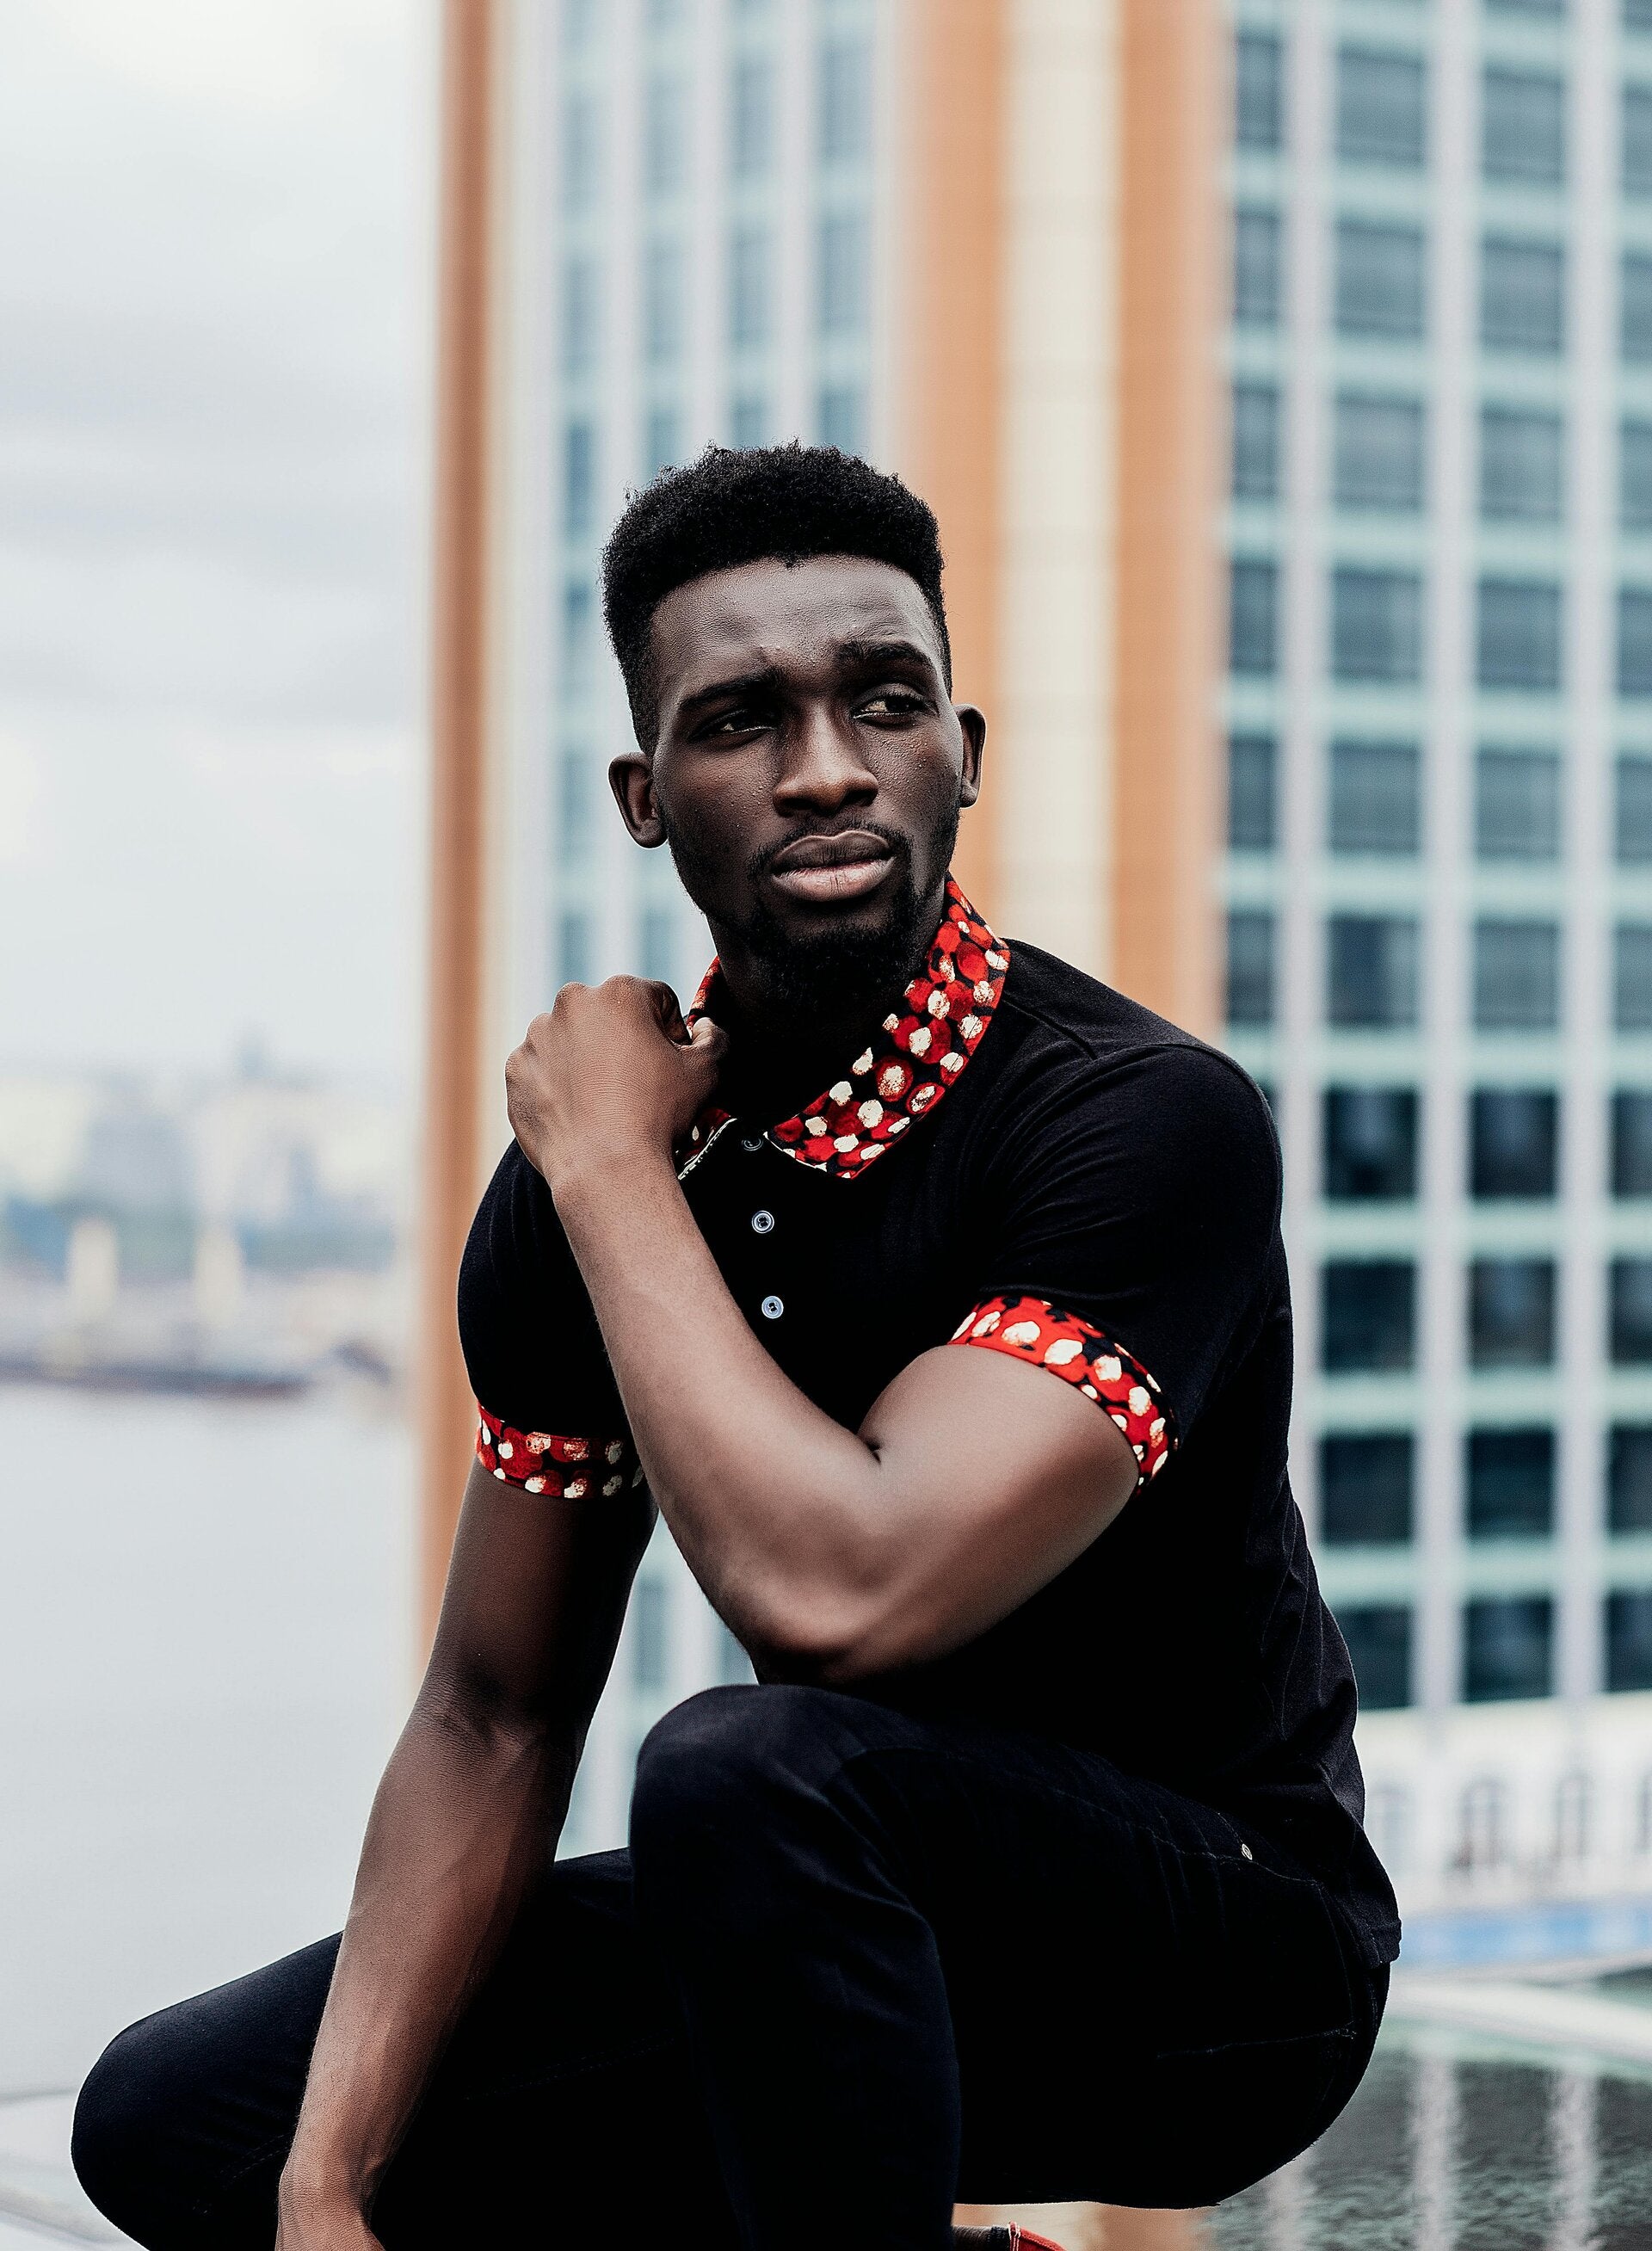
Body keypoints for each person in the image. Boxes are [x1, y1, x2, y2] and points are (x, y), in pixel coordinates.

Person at [71, 445, 1396, 2251]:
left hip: (1220, 1967)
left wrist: (615, 1169)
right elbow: (492, 1710)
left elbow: (843, 1597)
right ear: (646, 794)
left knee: (747, 1763)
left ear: (965, 753)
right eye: (741, 720)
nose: (827, 767)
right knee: (179, 2125)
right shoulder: (596, 1182)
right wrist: (326, 2194)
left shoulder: (1140, 1119)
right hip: (815, 1928)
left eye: (885, 701)